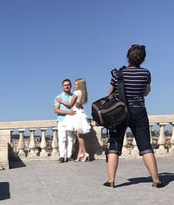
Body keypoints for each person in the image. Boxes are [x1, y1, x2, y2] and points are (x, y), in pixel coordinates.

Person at [105, 44, 162, 188]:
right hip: (139, 111)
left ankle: (111, 181)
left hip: (120, 112)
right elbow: (146, 92)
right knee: (145, 146)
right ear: (143, 59)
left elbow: (110, 94)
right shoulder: (146, 73)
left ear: (127, 57)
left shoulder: (117, 74)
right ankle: (156, 180)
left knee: (114, 145)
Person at [56, 78, 91, 161]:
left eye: (76, 84)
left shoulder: (76, 92)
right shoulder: (83, 93)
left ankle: (84, 153)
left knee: (78, 136)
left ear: (80, 85)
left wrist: (61, 101)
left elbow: (70, 105)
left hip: (75, 114)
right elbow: (80, 105)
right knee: (79, 135)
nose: (74, 86)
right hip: (79, 113)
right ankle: (79, 154)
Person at [54, 79, 76, 162]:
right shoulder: (58, 97)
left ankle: (69, 155)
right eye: (65, 85)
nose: (67, 86)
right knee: (62, 138)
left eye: (68, 85)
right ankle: (62, 156)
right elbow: (56, 110)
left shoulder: (74, 96)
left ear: (70, 86)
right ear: (62, 86)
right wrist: (67, 112)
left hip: (71, 120)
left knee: (70, 138)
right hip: (61, 120)